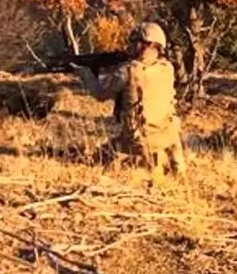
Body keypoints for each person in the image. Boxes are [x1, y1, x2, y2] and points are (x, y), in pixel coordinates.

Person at [74, 22, 186, 179]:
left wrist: (85, 73)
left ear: (147, 45)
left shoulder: (128, 70)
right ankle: (179, 169)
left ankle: (150, 169)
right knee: (172, 133)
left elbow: (100, 94)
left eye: (135, 42)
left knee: (101, 154)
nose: (131, 45)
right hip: (167, 133)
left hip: (138, 138)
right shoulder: (167, 68)